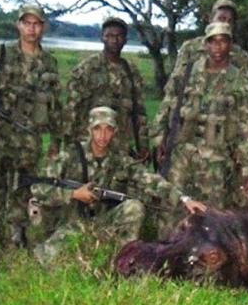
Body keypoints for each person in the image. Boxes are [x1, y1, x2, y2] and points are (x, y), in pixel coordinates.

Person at [32, 107, 205, 266]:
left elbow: (151, 180)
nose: (103, 135)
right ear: (89, 130)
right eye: (97, 129)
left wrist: (184, 199)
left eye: (108, 129)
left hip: (104, 224)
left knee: (134, 207)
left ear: (114, 132)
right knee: (45, 261)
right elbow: (39, 189)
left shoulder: (119, 159)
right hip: (72, 224)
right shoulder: (69, 155)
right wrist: (73, 194)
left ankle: (121, 259)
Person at [152, 22, 248, 208]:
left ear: (230, 45)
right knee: (171, 207)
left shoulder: (239, 81)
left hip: (216, 159)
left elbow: (247, 127)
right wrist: (159, 139)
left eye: (223, 41)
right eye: (213, 41)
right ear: (206, 44)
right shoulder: (186, 72)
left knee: (210, 215)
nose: (217, 46)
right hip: (181, 153)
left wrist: (247, 167)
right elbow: (166, 106)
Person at [0, 4, 63, 249]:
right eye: (27, 23)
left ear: (43, 27)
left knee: (23, 185)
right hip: (0, 133)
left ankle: (18, 234)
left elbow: (54, 104)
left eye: (37, 24)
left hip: (31, 137)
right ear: (18, 25)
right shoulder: (1, 53)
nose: (32, 29)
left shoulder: (49, 62)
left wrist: (55, 140)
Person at [62, 17, 150, 161]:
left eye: (119, 36)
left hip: (120, 145)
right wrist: (68, 144)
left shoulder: (131, 72)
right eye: (109, 36)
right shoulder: (88, 68)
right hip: (89, 143)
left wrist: (143, 144)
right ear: (102, 38)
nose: (114, 40)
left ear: (125, 40)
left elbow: (139, 112)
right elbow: (72, 109)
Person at [169, 0, 248, 80]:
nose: (225, 24)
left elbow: (244, 89)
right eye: (221, 19)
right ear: (211, 20)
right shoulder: (190, 48)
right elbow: (175, 84)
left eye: (230, 21)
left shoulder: (241, 56)